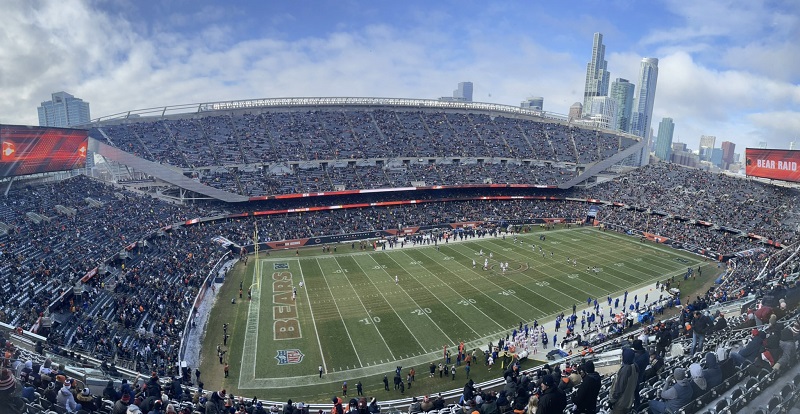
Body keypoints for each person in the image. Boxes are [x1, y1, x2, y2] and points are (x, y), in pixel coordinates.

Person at [608, 348, 637, 414]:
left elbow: (619, 389)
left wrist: (612, 401)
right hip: (629, 401)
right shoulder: (635, 367)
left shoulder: (625, 370)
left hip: (620, 403)